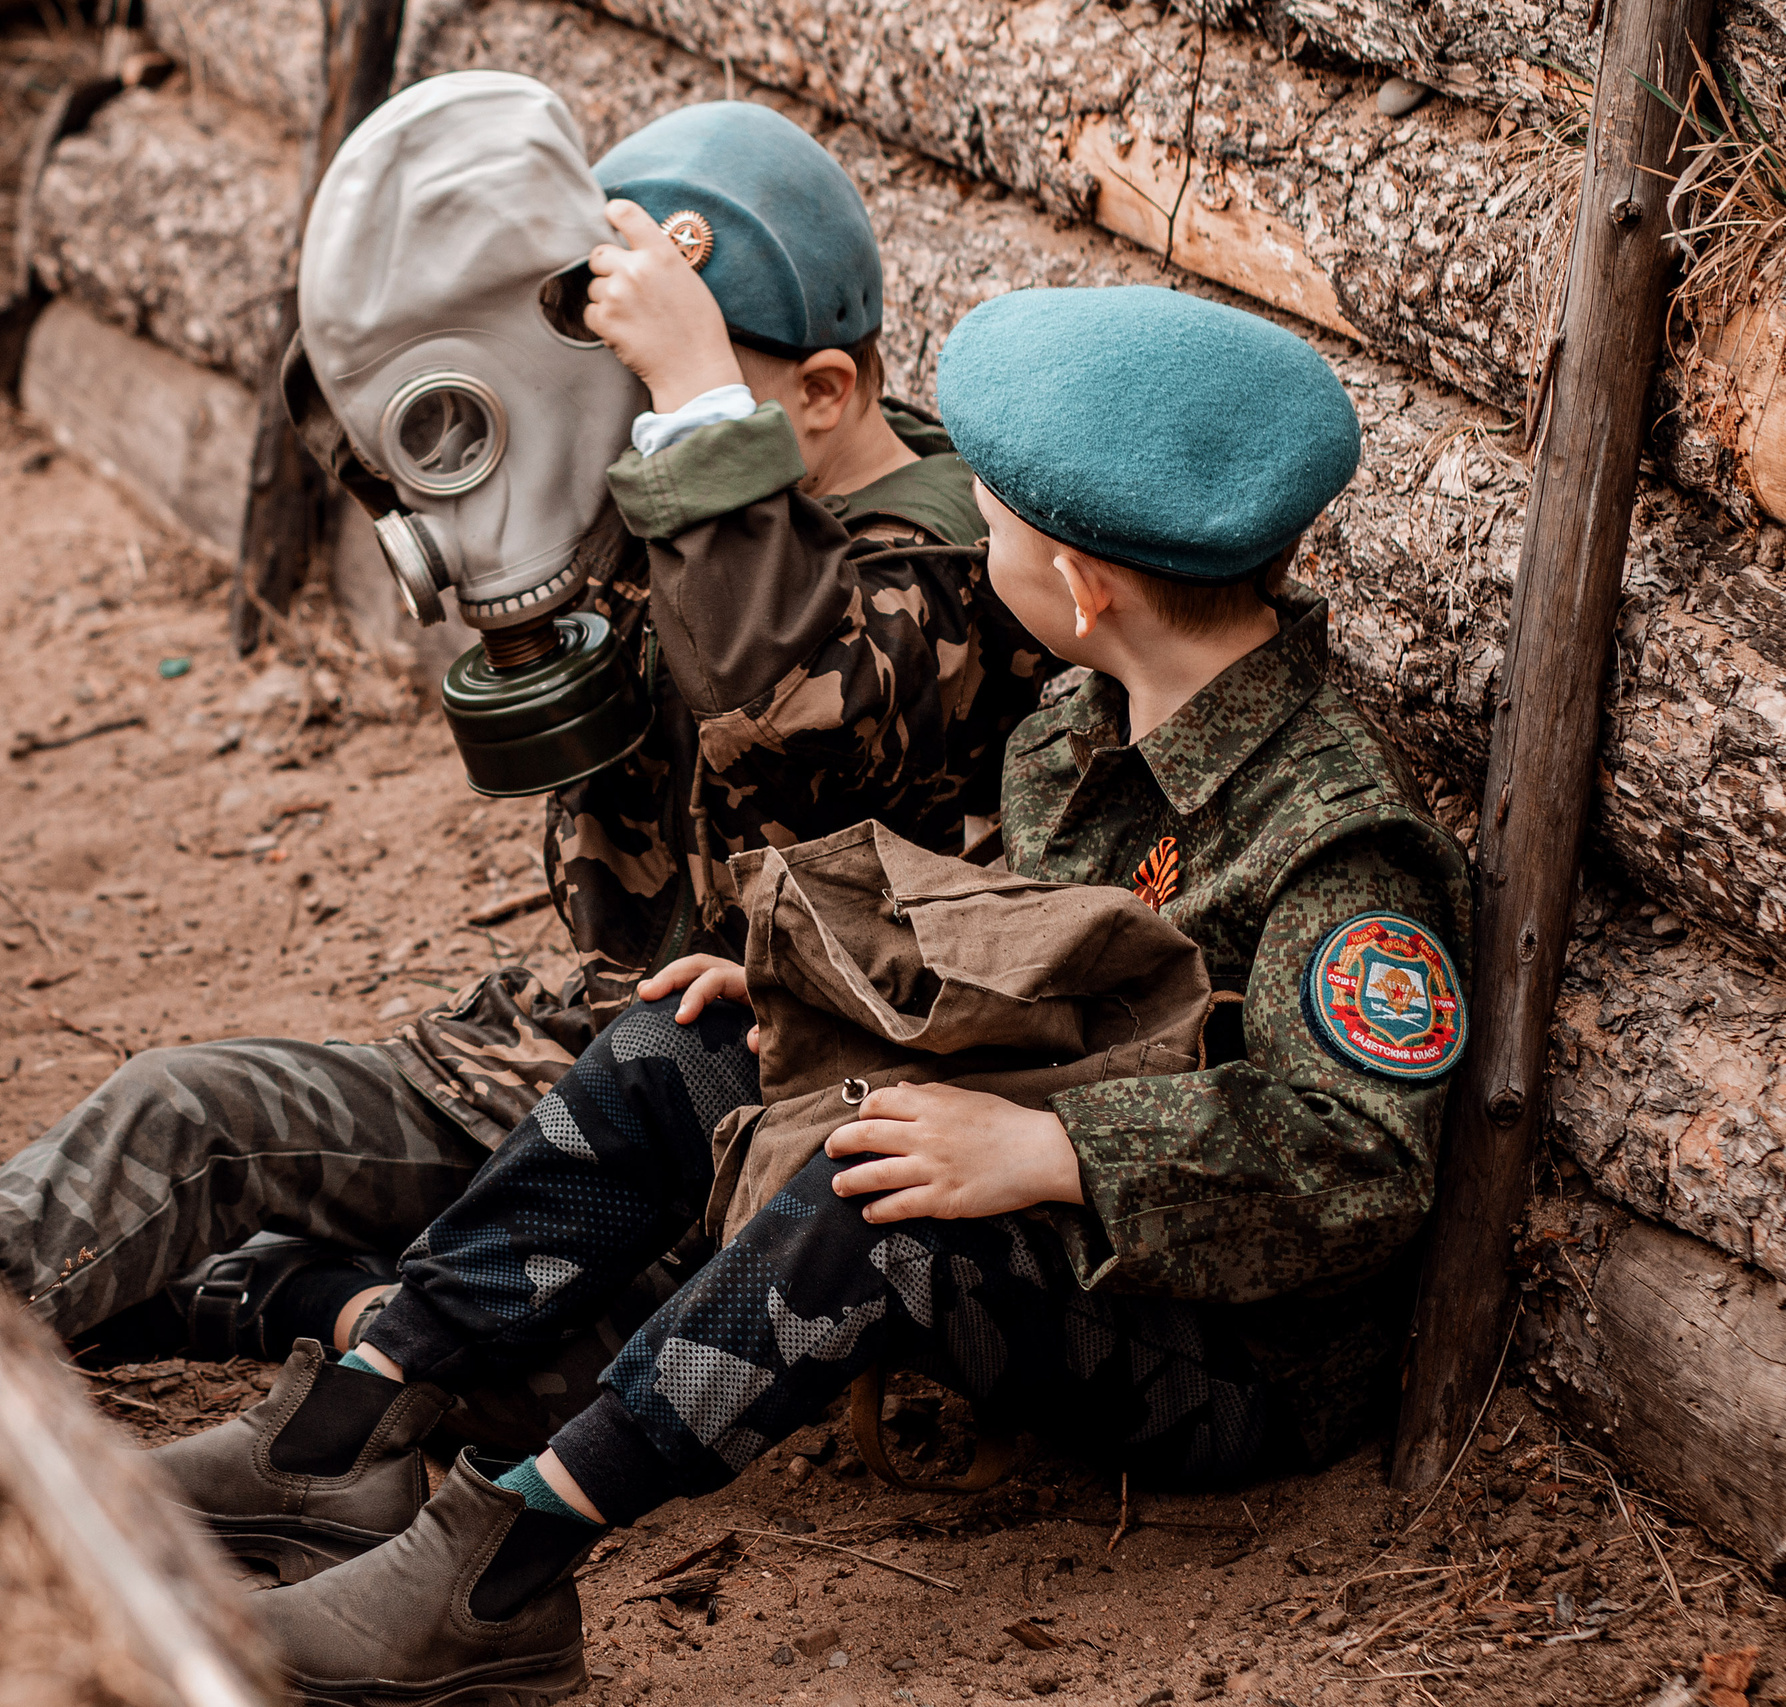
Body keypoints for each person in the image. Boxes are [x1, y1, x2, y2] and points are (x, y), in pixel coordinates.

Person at [159, 283, 1474, 1706]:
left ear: (1085, 588)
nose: (977, 525)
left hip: (1226, 1351)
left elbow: (1355, 1158)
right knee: (694, 1034)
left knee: (879, 1193)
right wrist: (817, 987)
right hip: (1067, 1200)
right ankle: (353, 1418)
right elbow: (1029, 968)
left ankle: (506, 1564)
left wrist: (1053, 1149)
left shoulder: (1337, 844)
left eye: (998, 516)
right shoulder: (1082, 726)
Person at [0, 98, 1048, 1377]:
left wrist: (690, 403)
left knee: (538, 1359)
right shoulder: (675, 498)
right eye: (609, 393)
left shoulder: (948, 568)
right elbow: (417, 440)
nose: (618, 437)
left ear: (821, 394)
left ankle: (295, 1309)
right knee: (185, 1113)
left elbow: (782, 710)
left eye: (662, 396)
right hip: (575, 1052)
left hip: (751, 1121)